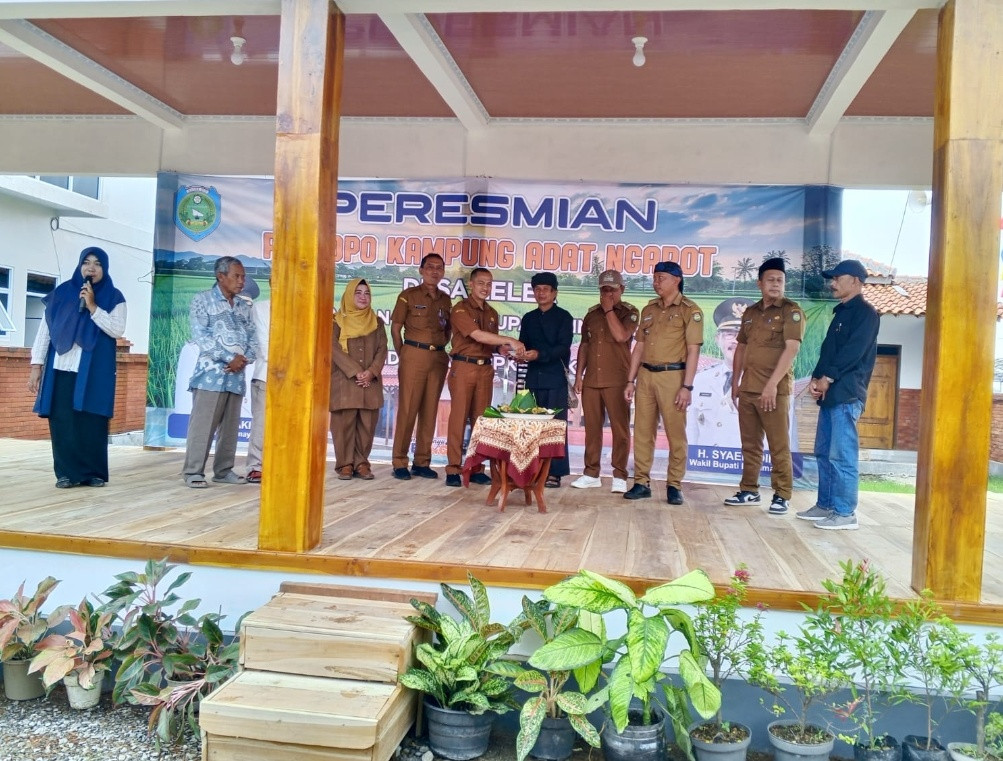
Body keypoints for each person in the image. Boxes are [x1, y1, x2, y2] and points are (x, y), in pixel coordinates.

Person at [27, 246, 127, 488]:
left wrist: (93, 307)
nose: (91, 268)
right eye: (86, 262)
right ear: (80, 265)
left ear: (105, 268)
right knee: (62, 421)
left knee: (92, 419)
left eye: (97, 264)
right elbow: (45, 331)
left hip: (94, 370)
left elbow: (117, 329)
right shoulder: (62, 293)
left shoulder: (114, 297)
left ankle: (93, 472)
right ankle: (66, 473)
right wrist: (36, 365)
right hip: (61, 367)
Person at [797, 259, 879, 530]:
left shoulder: (866, 314)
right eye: (832, 279)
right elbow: (828, 351)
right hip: (830, 395)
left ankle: (845, 513)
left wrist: (828, 378)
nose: (832, 284)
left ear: (855, 281)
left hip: (846, 394)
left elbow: (853, 352)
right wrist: (816, 378)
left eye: (837, 278)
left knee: (842, 456)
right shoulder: (841, 312)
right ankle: (826, 505)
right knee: (823, 453)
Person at [724, 258, 805, 515]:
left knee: (778, 445)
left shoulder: (791, 311)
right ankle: (749, 490)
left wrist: (771, 386)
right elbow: (741, 348)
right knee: (750, 444)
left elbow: (792, 349)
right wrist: (735, 381)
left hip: (774, 391)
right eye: (770, 280)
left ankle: (782, 495)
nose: (775, 284)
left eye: (780, 280)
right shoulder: (750, 313)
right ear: (760, 283)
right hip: (748, 388)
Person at [624, 261, 703, 505]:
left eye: (662, 278)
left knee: (675, 433)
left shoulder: (690, 310)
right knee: (643, 432)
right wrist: (630, 380)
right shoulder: (649, 309)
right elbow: (639, 347)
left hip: (673, 377)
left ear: (677, 280)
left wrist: (687, 387)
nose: (656, 282)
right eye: (655, 277)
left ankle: (674, 485)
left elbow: (693, 351)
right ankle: (641, 483)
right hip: (646, 376)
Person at [181, 256, 258, 488]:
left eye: (243, 277)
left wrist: (244, 359)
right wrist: (229, 358)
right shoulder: (203, 300)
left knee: (230, 428)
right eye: (237, 276)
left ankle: (223, 471)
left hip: (236, 376)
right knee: (203, 426)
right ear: (220, 276)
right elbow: (201, 336)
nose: (242, 281)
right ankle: (193, 472)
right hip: (210, 376)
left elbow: (253, 338)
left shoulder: (244, 306)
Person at [444, 267, 525, 488]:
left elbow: (491, 344)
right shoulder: (460, 309)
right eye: (481, 283)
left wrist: (504, 350)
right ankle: (453, 468)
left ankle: (476, 469)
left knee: (481, 422)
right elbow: (477, 335)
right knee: (458, 419)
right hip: (464, 367)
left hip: (485, 370)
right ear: (471, 284)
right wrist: (510, 339)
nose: (485, 287)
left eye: (489, 284)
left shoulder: (492, 313)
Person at [571, 270, 639, 494]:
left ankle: (619, 475)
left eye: (612, 289)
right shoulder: (591, 314)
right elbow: (585, 345)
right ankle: (591, 473)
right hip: (592, 379)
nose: (608, 293)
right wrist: (579, 375)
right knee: (592, 429)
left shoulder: (629, 312)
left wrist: (609, 310)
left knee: (620, 429)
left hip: (618, 379)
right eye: (604, 289)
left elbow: (621, 336)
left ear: (622, 289)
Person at [390, 254, 452, 481]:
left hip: (438, 357)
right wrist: (404, 354)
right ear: (421, 270)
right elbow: (395, 328)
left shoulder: (445, 299)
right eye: (430, 267)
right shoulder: (408, 296)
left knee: (429, 409)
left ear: (443, 272)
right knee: (408, 409)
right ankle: (399, 461)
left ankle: (422, 462)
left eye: (439, 268)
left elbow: (448, 330)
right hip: (413, 355)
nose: (435, 271)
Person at [518, 272, 574, 488]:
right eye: (537, 289)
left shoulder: (564, 317)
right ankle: (533, 470)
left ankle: (554, 473)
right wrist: (518, 353)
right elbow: (523, 344)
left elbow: (563, 348)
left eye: (545, 289)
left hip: (555, 379)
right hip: (533, 379)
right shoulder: (528, 318)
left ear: (554, 293)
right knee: (532, 427)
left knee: (555, 428)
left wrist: (539, 354)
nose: (541, 293)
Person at [330, 278, 388, 480]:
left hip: (370, 382)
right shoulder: (336, 321)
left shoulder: (377, 322)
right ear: (348, 295)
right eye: (358, 292)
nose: (363, 297)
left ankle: (361, 463)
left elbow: (382, 350)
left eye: (367, 293)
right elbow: (332, 348)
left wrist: (371, 372)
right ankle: (345, 464)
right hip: (344, 381)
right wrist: (356, 371)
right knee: (343, 426)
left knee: (367, 425)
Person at [686, 298, 753, 449]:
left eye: (743, 335)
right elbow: (691, 432)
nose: (736, 341)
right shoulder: (700, 380)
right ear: (718, 339)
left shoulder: (765, 383)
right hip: (705, 461)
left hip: (746, 462)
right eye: (730, 334)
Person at [244, 288, 270, 484]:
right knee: (261, 424)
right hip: (266, 375)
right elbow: (263, 345)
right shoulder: (260, 308)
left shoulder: (301, 310)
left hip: (296, 380)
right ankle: (256, 466)